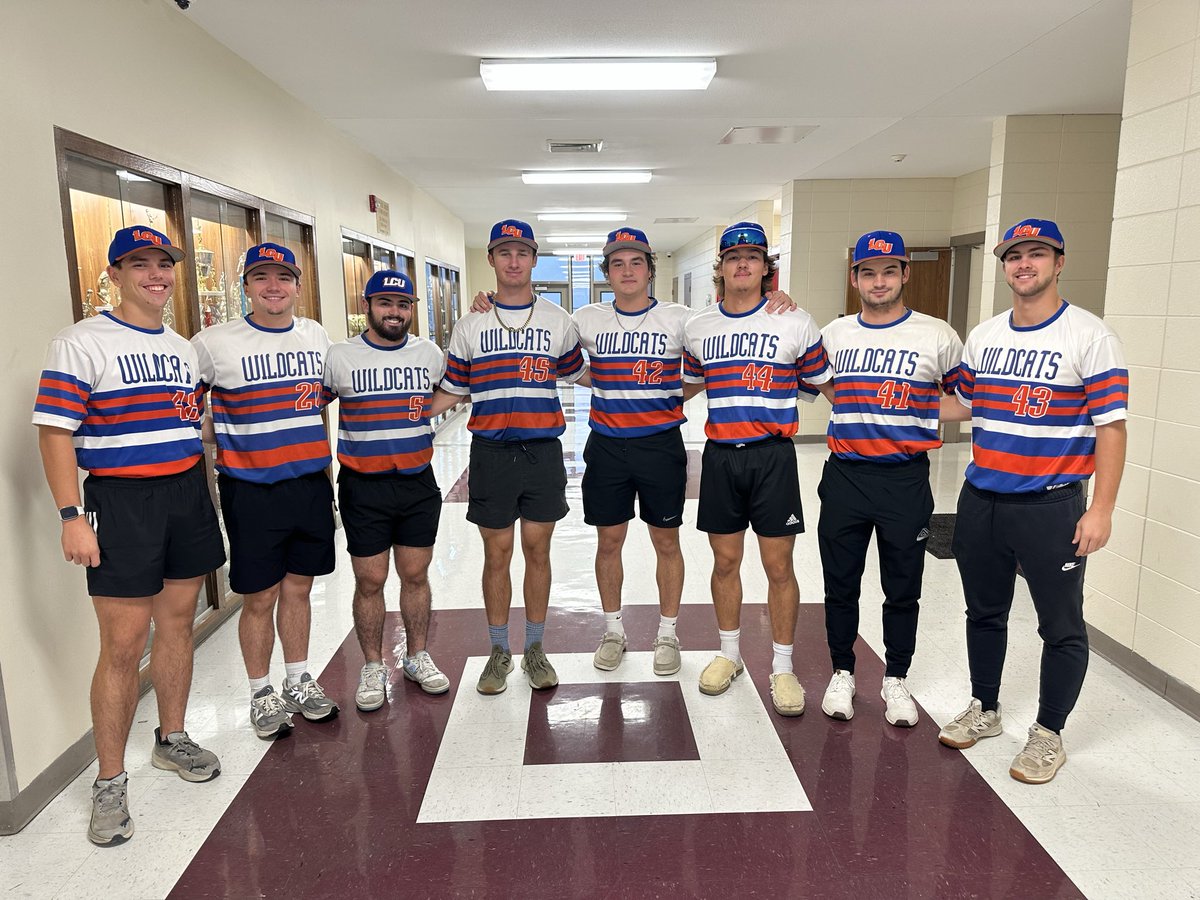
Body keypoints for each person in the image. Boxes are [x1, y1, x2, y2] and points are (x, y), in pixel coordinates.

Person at [33, 226, 226, 846]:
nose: (155, 275)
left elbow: (189, 421)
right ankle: (110, 783)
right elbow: (55, 432)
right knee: (122, 643)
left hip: (186, 494)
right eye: (139, 265)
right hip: (120, 499)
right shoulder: (81, 341)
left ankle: (171, 738)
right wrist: (71, 515)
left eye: (163, 264)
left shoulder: (183, 348)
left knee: (178, 624)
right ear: (114, 273)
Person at [937, 218, 1128, 784]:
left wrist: (1102, 508)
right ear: (1004, 267)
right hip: (982, 497)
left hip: (1052, 505)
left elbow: (1111, 428)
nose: (1024, 264)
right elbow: (962, 405)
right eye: (1014, 256)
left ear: (1059, 262)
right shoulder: (986, 335)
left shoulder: (1090, 336)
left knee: (1060, 624)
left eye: (1037, 254)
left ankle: (1049, 732)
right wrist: (869, 396)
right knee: (985, 612)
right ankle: (986, 708)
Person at [681, 221, 832, 717]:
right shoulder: (700, 327)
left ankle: (783, 665)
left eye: (752, 257)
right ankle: (729, 656)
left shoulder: (796, 322)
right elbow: (686, 386)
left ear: (766, 268)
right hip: (722, 456)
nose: (742, 264)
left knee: (778, 566)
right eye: (733, 257)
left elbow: (822, 387)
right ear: (720, 268)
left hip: (773, 457)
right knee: (724, 562)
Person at [816, 230, 963, 727]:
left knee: (903, 586)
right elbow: (825, 386)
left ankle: (896, 678)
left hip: (904, 479)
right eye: (868, 272)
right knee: (841, 584)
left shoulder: (936, 334)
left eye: (889, 271)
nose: (879, 281)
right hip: (846, 475)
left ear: (904, 274)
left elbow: (965, 400)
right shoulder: (835, 335)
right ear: (856, 279)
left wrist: (909, 413)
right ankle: (842, 672)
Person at [191, 242, 338, 738]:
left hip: (309, 484)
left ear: (297, 285)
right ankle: (260, 692)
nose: (273, 287)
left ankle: (298, 680)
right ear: (247, 287)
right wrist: (225, 433)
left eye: (282, 277)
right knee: (259, 597)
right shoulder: (213, 343)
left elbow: (325, 399)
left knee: (299, 588)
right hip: (251, 489)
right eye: (261, 278)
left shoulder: (316, 336)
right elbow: (182, 410)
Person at [436, 219, 585, 694]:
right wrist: (399, 413)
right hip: (491, 454)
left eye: (522, 253)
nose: (514, 261)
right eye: (504, 253)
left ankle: (535, 650)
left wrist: (650, 381)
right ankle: (499, 651)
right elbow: (452, 389)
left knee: (537, 551)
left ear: (534, 260)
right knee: (496, 553)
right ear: (492, 260)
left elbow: (582, 375)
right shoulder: (470, 323)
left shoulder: (558, 320)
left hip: (542, 451)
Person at [324, 270, 460, 710]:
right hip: (363, 484)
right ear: (368, 306)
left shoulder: (429, 353)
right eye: (385, 303)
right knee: (370, 579)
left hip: (417, 481)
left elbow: (456, 388)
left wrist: (422, 413)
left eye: (403, 305)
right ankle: (372, 665)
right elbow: (309, 407)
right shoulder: (340, 356)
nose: (394, 312)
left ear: (412, 309)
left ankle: (417, 656)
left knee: (416, 574)